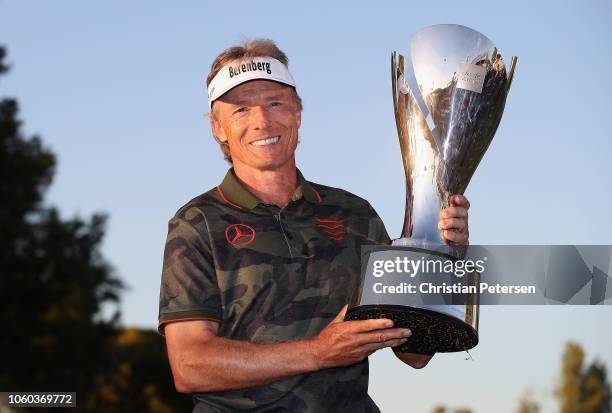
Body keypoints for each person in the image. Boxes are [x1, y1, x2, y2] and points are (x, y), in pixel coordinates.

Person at [158, 39, 470, 412]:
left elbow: (415, 353)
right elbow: (190, 366)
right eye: (241, 109)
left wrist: (442, 257)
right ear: (218, 128)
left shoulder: (354, 215)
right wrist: (319, 352)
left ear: (298, 113)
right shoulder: (197, 223)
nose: (262, 121)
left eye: (275, 103)